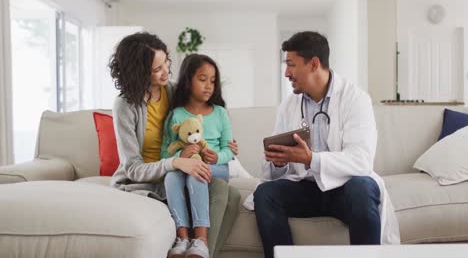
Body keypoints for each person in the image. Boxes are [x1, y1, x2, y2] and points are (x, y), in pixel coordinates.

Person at [251, 31, 400, 258]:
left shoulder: (356, 99)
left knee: (363, 187)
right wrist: (280, 161)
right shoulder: (289, 105)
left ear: (313, 64)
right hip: (306, 188)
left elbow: (361, 160)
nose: (286, 73)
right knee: (265, 194)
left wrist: (311, 159)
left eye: (291, 65)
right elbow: (275, 168)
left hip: (346, 188)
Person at [108, 32, 240, 258]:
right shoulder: (124, 106)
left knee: (232, 195)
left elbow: (205, 121)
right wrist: (176, 162)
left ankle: (200, 249)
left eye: (166, 62)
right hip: (148, 180)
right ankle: (196, 246)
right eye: (157, 69)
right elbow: (132, 169)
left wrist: (224, 151)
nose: (166, 71)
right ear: (139, 73)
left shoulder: (174, 91)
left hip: (184, 170)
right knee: (219, 192)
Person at [161, 54, 234, 258]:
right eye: (202, 80)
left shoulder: (220, 113)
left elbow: (228, 151)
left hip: (216, 168)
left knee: (196, 171)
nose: (208, 86)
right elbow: (164, 153)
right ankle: (182, 237)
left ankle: (200, 239)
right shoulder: (176, 115)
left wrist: (216, 157)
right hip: (184, 165)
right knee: (171, 176)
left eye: (212, 81)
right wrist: (181, 154)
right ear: (188, 81)